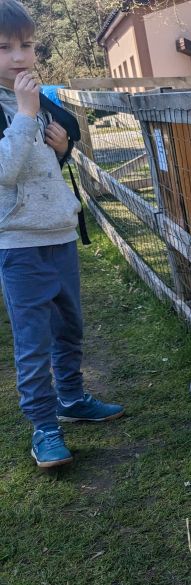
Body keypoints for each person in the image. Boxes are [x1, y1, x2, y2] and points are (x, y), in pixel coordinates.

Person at [0, 0, 123, 469]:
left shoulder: (34, 97)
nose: (19, 56)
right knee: (33, 339)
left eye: (26, 45)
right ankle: (44, 427)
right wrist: (27, 115)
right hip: (18, 242)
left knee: (69, 325)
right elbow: (6, 172)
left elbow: (53, 157)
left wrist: (66, 145)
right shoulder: (21, 104)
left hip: (60, 233)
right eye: (5, 47)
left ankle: (71, 399)